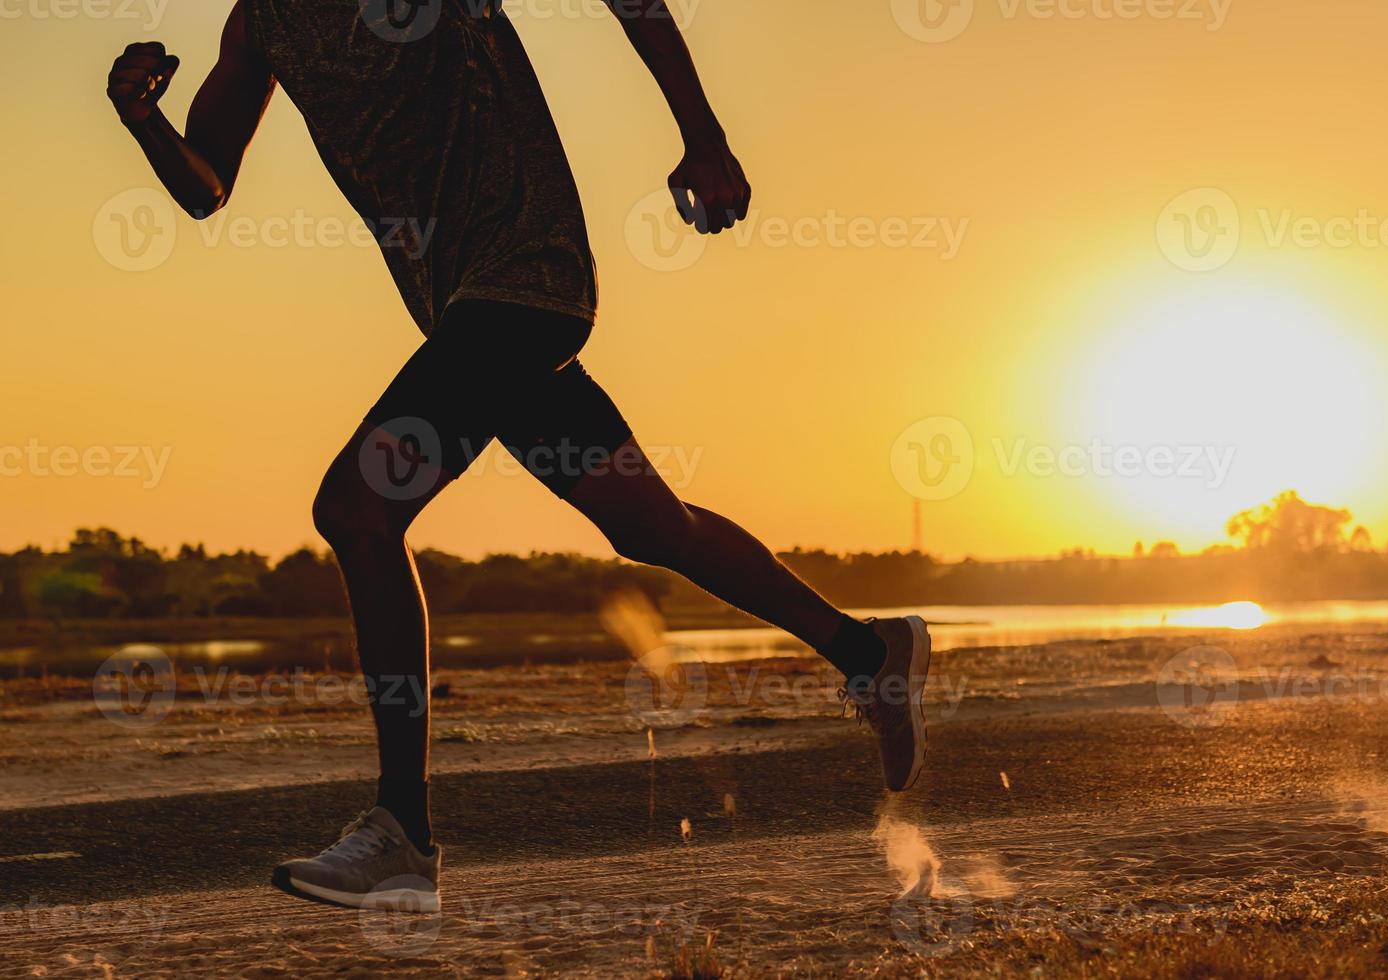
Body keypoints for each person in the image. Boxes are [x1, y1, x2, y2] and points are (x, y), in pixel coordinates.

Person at [106, 0, 931, 912]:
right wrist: (143, 120)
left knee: (358, 507)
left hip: (528, 278)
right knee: (652, 525)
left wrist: (704, 136)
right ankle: (868, 650)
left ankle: (403, 834)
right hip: (464, 308)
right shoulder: (263, 20)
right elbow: (205, 183)